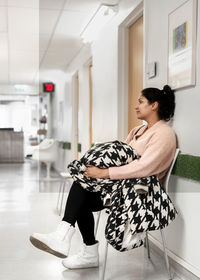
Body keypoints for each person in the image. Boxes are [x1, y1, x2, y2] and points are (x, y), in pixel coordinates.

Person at [30, 84, 177, 270]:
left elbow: (143, 167)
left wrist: (103, 173)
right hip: (120, 185)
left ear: (154, 105)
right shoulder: (138, 131)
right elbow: (122, 157)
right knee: (82, 185)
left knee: (82, 190)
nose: (136, 106)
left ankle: (74, 242)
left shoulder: (164, 134)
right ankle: (73, 242)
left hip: (141, 192)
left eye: (140, 102)